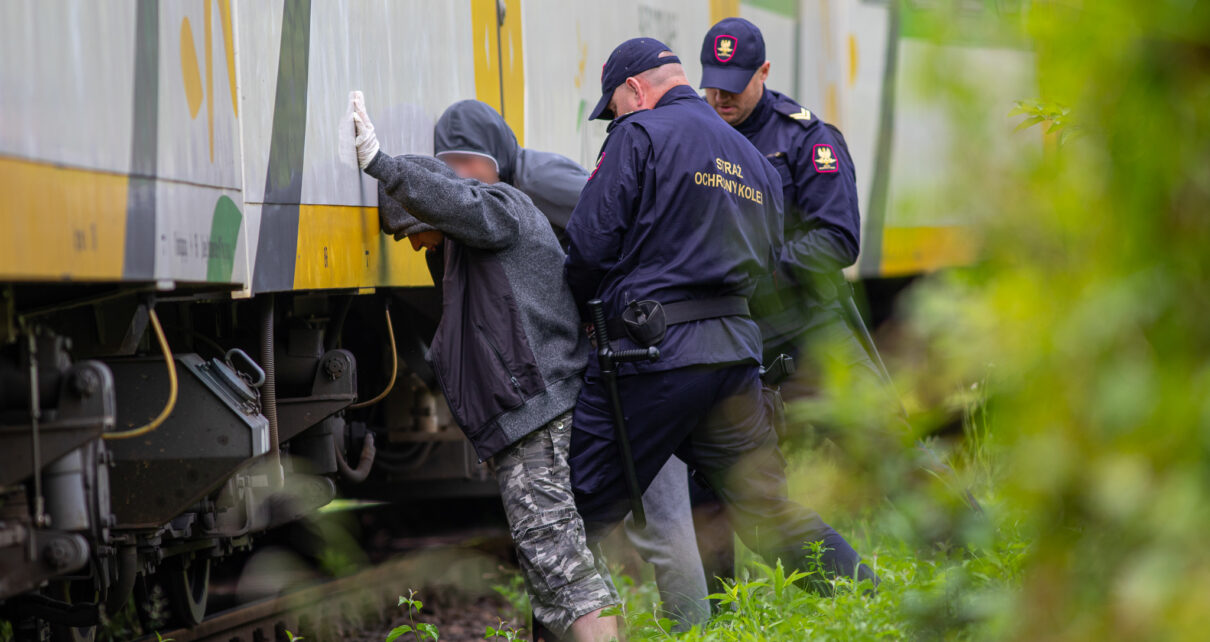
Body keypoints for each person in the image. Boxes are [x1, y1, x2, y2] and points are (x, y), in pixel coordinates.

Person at [564, 38, 879, 598]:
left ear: (634, 89)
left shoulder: (638, 134)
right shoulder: (753, 159)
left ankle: (558, 634)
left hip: (650, 356)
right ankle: (872, 600)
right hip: (735, 356)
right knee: (767, 510)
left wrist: (590, 319)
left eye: (612, 105)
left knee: (576, 508)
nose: (614, 117)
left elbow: (588, 247)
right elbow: (765, 265)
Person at [346, 92, 618, 642]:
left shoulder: (502, 208)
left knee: (563, 569)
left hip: (536, 420)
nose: (414, 241)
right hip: (537, 415)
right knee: (559, 566)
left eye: (413, 229)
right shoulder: (473, 244)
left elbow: (462, 204)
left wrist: (382, 166)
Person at [431, 99, 710, 630]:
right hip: (607, 365)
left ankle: (694, 632)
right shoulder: (496, 197)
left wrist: (603, 315)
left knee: (663, 521)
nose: (457, 177)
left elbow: (622, 231)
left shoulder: (537, 181)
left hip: (633, 359)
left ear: (494, 155)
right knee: (578, 532)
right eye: (446, 165)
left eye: (465, 162)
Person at [698, 17, 884, 399]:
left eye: (733, 86)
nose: (721, 97)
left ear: (763, 72)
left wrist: (762, 267)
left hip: (805, 328)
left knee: (883, 440)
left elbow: (838, 240)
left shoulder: (806, 139)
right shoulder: (695, 135)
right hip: (727, 335)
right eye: (713, 85)